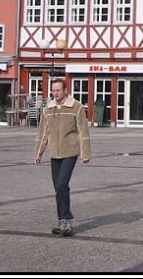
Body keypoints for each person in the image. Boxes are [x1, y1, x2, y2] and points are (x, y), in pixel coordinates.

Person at [34, 78, 91, 237]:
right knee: (58, 188)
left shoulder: (76, 107)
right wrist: (38, 153)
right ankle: (62, 221)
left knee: (61, 184)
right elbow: (43, 133)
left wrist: (85, 153)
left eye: (58, 90)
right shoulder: (48, 109)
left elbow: (83, 131)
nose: (55, 93)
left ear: (65, 90)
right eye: (53, 90)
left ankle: (66, 218)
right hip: (54, 153)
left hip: (70, 152)